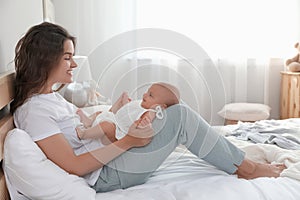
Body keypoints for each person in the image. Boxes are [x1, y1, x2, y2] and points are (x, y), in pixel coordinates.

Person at [11, 22, 285, 193]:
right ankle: (246, 168)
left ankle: (239, 162)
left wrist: (114, 117)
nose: (73, 64)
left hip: (111, 158)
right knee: (179, 116)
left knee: (168, 115)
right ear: (46, 59)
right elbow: (73, 165)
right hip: (107, 174)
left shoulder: (52, 99)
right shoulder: (34, 111)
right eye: (67, 57)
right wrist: (128, 141)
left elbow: (83, 129)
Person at [75, 82, 180, 144]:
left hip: (118, 134)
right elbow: (128, 114)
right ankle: (89, 122)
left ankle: (85, 134)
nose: (145, 95)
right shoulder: (143, 104)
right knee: (101, 113)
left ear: (161, 106)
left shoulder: (151, 112)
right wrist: (126, 104)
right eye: (147, 92)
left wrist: (144, 124)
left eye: (150, 95)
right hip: (117, 121)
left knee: (106, 125)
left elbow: (145, 121)